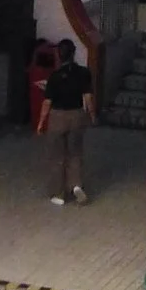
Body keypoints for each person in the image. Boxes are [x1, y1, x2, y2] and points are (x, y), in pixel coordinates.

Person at [41, 38, 94, 205]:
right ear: (74, 53)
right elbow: (88, 98)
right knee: (75, 153)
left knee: (57, 155)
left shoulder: (54, 77)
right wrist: (92, 116)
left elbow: (47, 102)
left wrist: (41, 122)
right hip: (77, 115)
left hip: (58, 117)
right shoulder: (84, 73)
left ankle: (58, 194)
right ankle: (76, 185)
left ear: (59, 55)